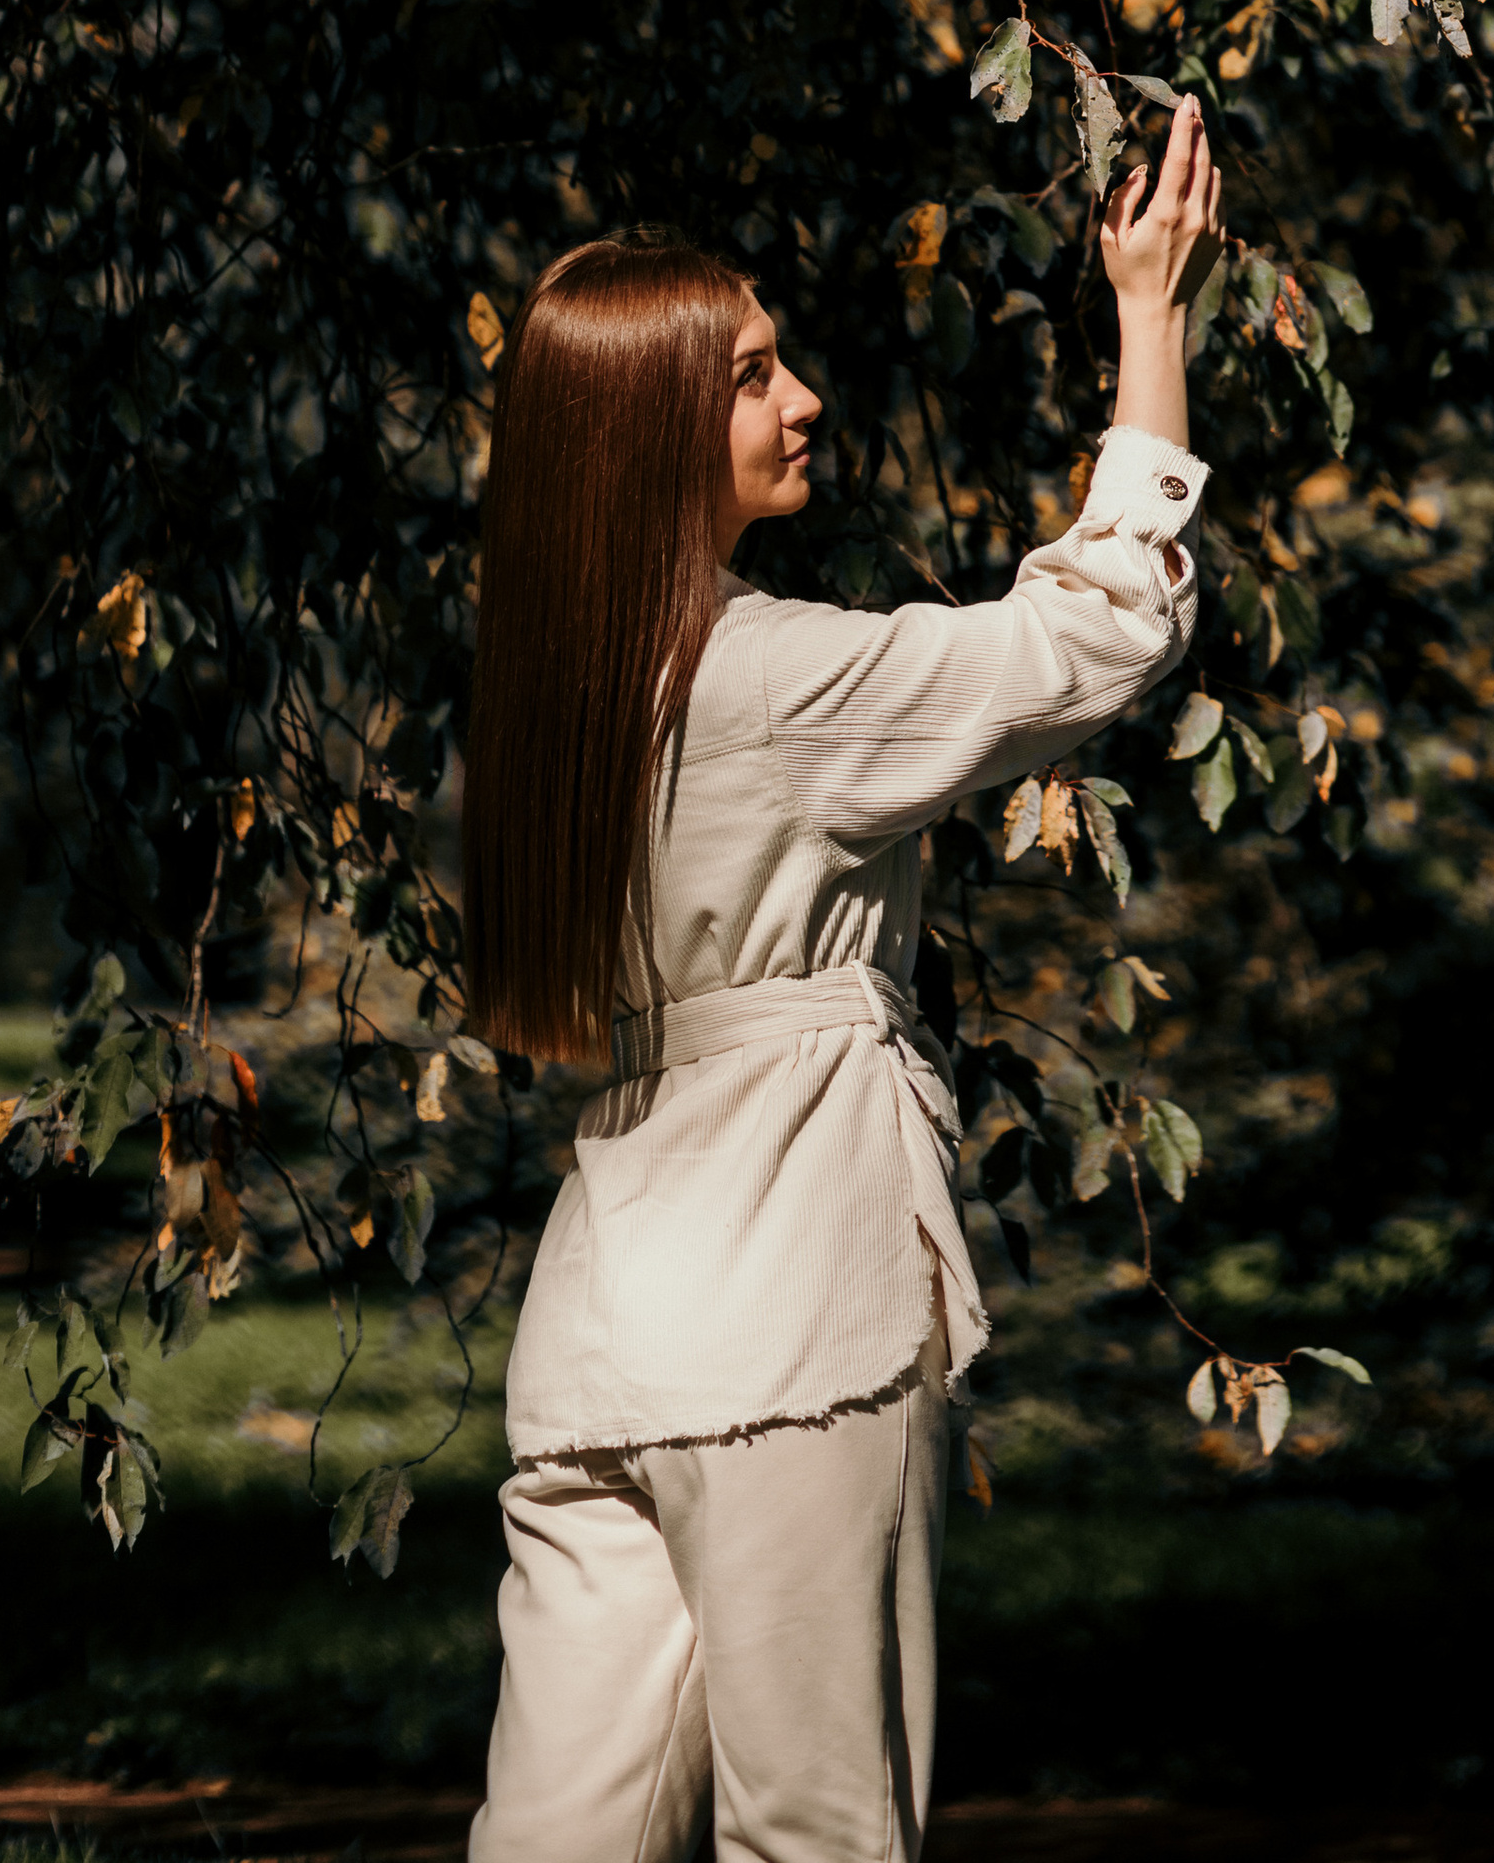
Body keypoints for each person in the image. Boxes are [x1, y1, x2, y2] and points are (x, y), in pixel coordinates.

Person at [462, 95, 1222, 1863]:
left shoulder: (548, 707)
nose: (802, 401)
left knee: (553, 1841)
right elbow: (1103, 629)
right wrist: (1152, 320)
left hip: (603, 1331)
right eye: (749, 375)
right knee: (822, 1837)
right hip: (792, 1300)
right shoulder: (770, 684)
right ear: (649, 433)